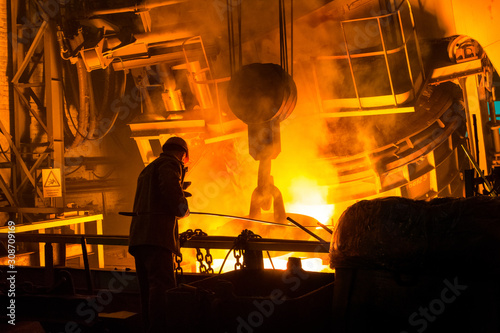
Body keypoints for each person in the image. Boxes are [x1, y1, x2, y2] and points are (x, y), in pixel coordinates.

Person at [128, 136, 190, 332]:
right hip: (157, 238)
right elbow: (171, 194)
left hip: (140, 238)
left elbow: (155, 195)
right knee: (162, 288)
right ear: (182, 155)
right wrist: (183, 208)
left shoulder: (148, 169)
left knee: (147, 289)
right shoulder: (170, 164)